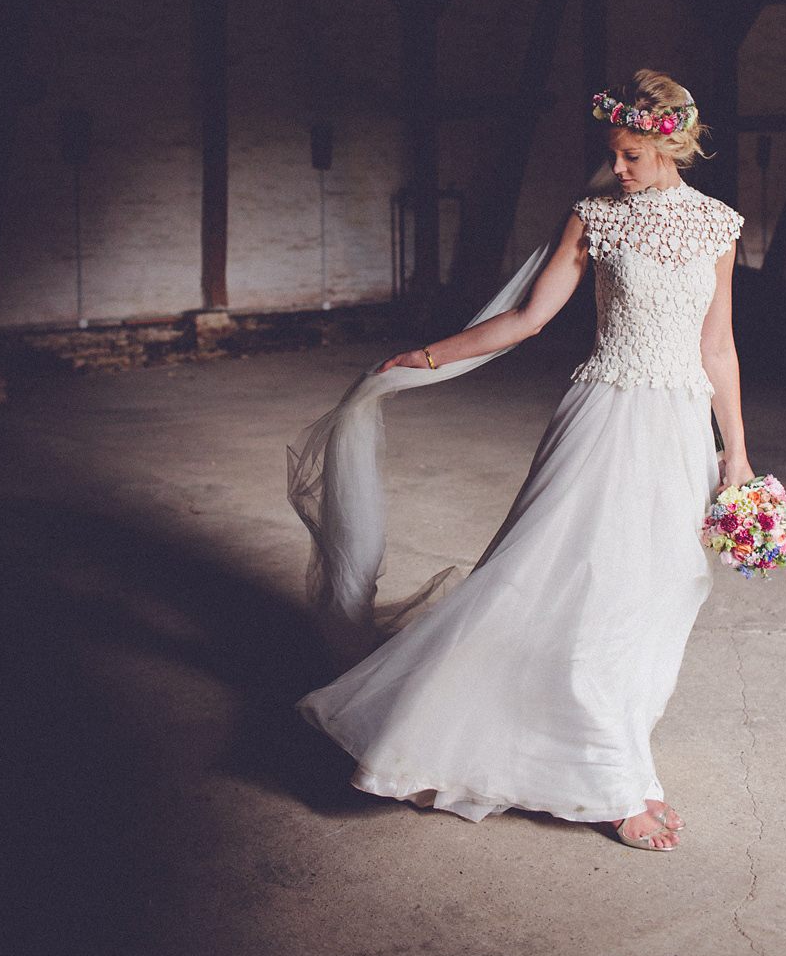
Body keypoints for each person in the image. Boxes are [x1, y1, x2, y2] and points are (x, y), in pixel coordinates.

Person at [294, 70, 747, 851]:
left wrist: (736, 455)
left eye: (634, 154)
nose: (620, 169)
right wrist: (428, 357)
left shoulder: (716, 226)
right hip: (602, 419)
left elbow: (717, 348)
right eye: (614, 154)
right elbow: (528, 318)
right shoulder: (595, 217)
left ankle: (620, 756)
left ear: (672, 144)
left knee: (657, 597)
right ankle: (613, 787)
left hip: (678, 433)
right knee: (576, 588)